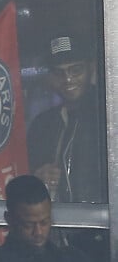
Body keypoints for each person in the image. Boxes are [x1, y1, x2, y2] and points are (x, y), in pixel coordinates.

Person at [27, 35, 107, 203]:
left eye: (76, 70)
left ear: (91, 68)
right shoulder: (42, 124)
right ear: (49, 77)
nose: (68, 79)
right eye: (59, 72)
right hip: (58, 222)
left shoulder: (106, 116)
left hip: (104, 223)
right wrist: (38, 177)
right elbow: (25, 175)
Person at [0, 175, 90, 262]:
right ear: (9, 219)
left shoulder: (71, 258)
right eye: (28, 225)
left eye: (44, 223)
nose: (38, 232)